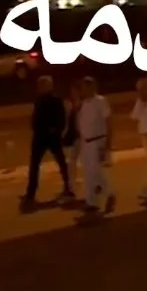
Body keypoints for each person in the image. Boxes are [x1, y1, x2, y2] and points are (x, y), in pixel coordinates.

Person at [22, 75, 72, 206]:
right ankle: (31, 192)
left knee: (61, 162)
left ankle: (68, 185)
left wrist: (55, 130)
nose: (39, 88)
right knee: (35, 165)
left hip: (51, 137)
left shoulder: (55, 100)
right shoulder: (39, 99)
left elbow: (61, 118)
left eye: (42, 85)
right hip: (39, 136)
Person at [75, 77, 115, 217]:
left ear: (92, 88)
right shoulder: (84, 104)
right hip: (86, 143)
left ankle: (94, 201)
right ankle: (105, 194)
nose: (82, 91)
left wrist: (107, 144)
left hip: (97, 142)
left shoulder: (100, 101)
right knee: (91, 173)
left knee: (94, 173)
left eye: (85, 88)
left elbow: (109, 122)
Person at [63, 80, 83, 192]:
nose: (73, 93)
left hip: (83, 136)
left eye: (75, 91)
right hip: (76, 136)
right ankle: (71, 185)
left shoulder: (83, 104)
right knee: (72, 161)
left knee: (76, 161)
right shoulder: (69, 104)